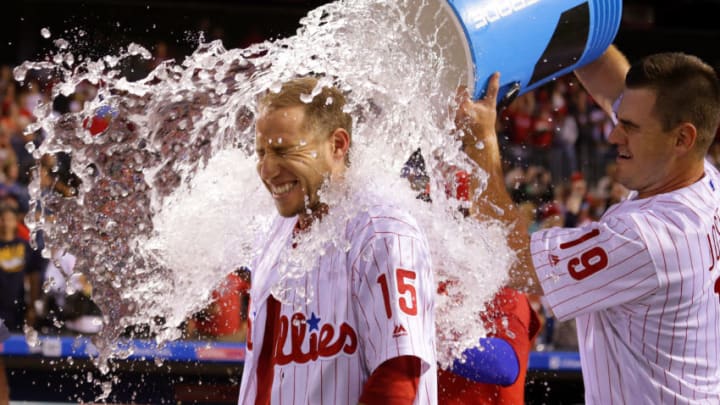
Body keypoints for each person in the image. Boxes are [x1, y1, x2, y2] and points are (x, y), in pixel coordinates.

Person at [455, 47, 720, 404]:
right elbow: (613, 86)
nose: (613, 136)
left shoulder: (649, 238)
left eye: (630, 127)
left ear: (682, 139)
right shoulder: (704, 181)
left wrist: (480, 141)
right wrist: (576, 19)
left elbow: (512, 259)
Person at [237, 77, 437, 404]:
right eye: (261, 152)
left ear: (338, 145)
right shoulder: (276, 231)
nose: (268, 169)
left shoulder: (382, 232)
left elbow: (398, 378)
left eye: (283, 149)